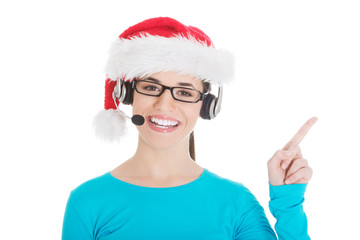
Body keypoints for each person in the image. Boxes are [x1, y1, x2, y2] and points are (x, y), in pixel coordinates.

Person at [62, 17, 317, 239]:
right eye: (151, 87)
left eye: (184, 92)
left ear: (206, 106)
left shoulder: (236, 202)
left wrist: (288, 201)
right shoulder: (86, 202)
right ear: (127, 94)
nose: (165, 105)